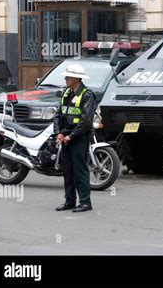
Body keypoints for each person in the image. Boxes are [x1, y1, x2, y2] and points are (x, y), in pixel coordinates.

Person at [54, 64, 97, 213]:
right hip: (65, 137)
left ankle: (85, 202)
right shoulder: (66, 93)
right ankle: (70, 201)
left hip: (78, 138)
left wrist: (71, 137)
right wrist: (58, 132)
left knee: (80, 170)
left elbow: (86, 121)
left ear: (76, 78)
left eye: (68, 76)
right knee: (68, 171)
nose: (65, 78)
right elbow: (58, 115)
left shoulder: (87, 95)